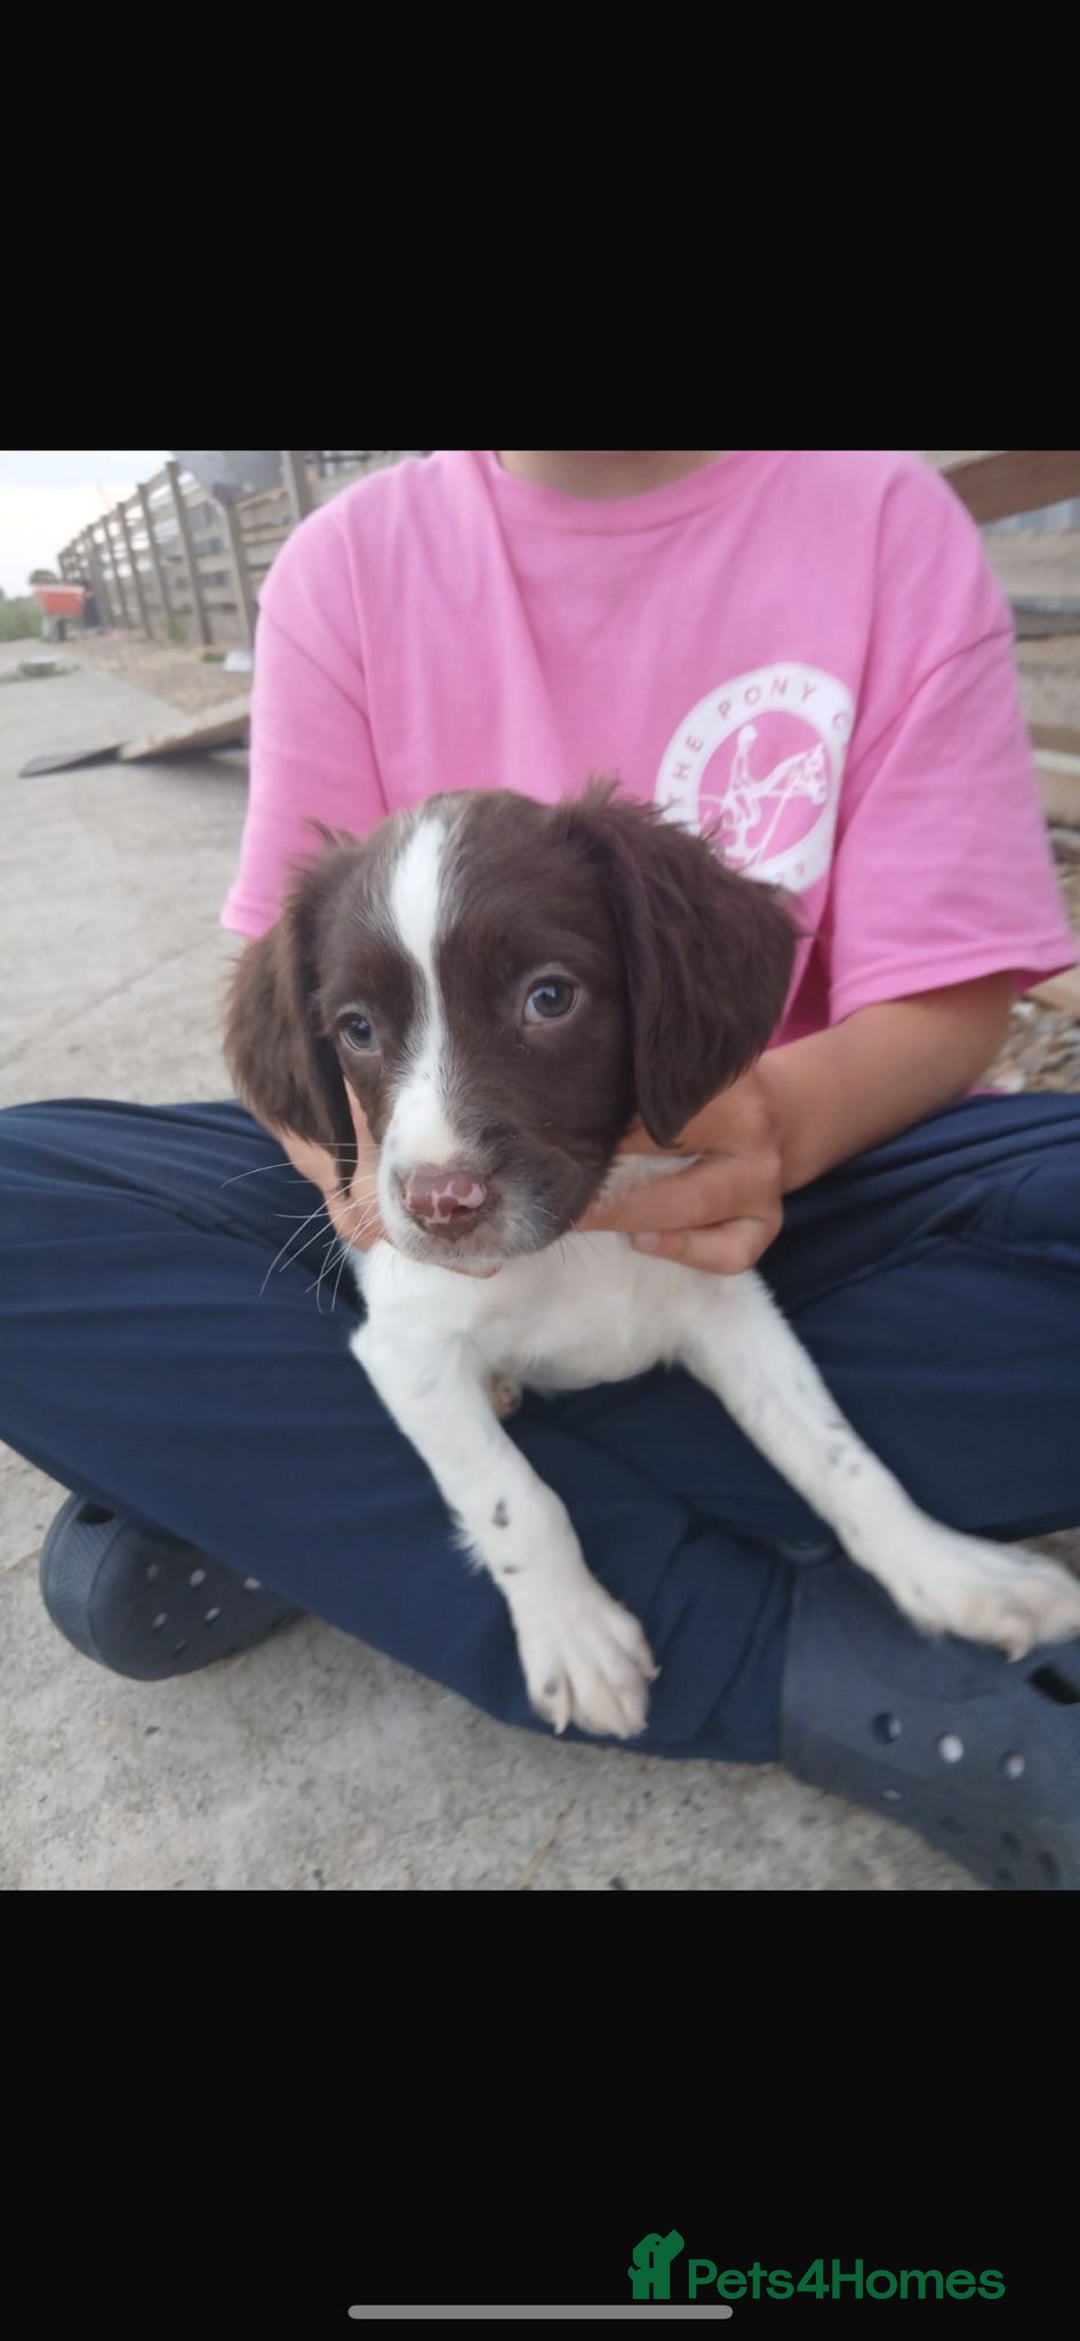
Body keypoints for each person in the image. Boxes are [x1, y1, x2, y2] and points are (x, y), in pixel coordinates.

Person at [3, 449, 1079, 1893]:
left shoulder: (884, 519)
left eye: (549, 993)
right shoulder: (343, 564)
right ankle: (774, 1646)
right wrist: (360, 1179)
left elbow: (962, 988)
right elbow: (309, 1032)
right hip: (405, 1208)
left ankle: (287, 1490)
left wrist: (773, 1127)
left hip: (790, 1178)